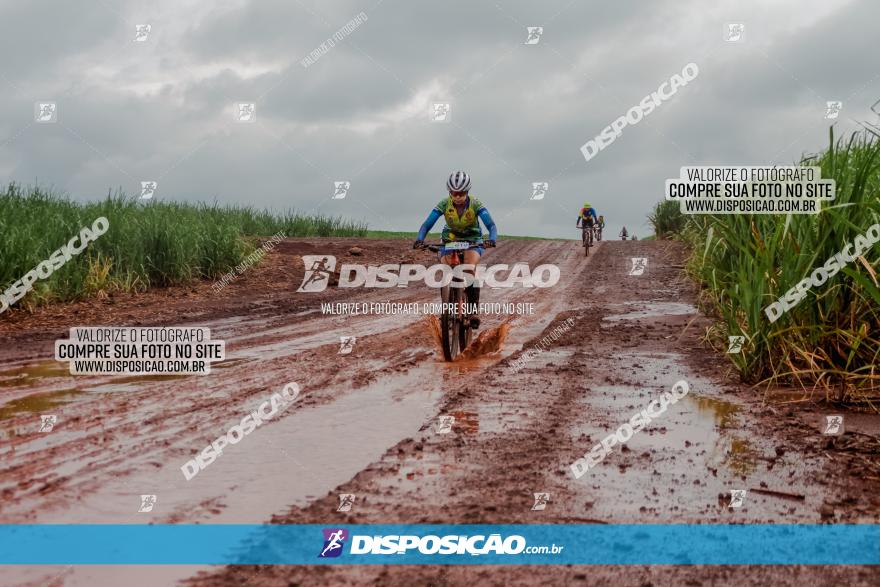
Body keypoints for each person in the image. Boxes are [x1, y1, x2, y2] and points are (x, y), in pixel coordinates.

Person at [413, 171, 497, 329]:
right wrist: (420, 238)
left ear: (468, 192)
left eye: (461, 193)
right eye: (454, 193)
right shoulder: (444, 204)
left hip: (472, 240)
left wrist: (491, 239)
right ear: (449, 192)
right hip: (449, 240)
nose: (457, 197)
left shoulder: (476, 204)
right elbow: (427, 224)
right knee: (447, 271)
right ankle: (447, 309)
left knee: (469, 270)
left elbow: (491, 225)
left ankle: (472, 311)